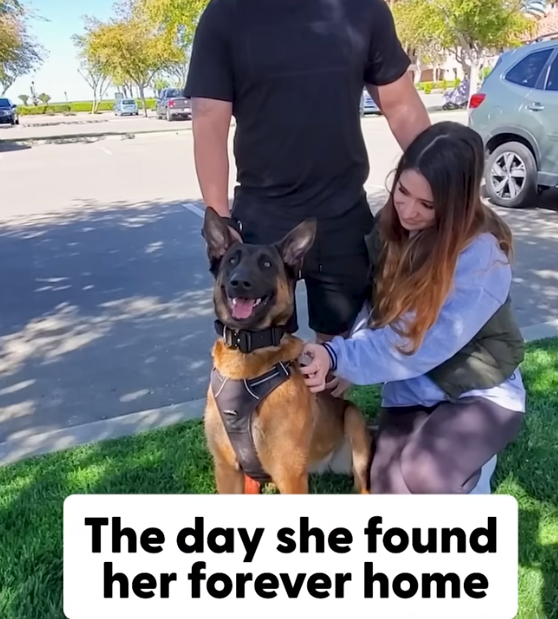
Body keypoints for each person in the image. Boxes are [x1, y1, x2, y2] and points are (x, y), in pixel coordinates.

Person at [183, 0, 431, 381]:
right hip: (261, 219)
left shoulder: (363, 9)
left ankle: (324, 419)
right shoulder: (226, 14)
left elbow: (399, 104)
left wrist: (441, 181)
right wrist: (220, 216)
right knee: (260, 358)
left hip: (343, 213)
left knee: (336, 361)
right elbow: (208, 121)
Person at [301, 121, 527, 494]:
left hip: (478, 390)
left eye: (427, 205)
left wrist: (339, 356)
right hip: (412, 388)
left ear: (455, 205)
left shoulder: (483, 256)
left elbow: (417, 343)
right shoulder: (391, 227)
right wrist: (346, 357)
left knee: (424, 473)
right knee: (390, 488)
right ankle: (445, 451)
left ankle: (473, 474)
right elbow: (376, 307)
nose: (407, 210)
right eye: (402, 192)